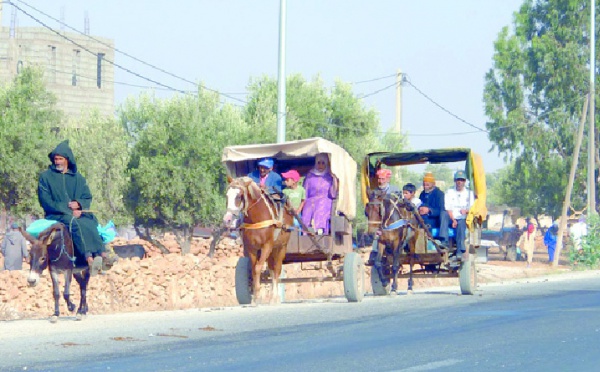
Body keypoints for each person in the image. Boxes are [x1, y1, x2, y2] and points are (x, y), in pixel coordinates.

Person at [38, 140, 109, 276]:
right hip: (56, 214)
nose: (57, 161)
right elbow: (45, 201)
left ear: (67, 160)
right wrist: (68, 209)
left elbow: (87, 196)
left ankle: (103, 255)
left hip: (77, 213)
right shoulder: (45, 178)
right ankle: (89, 259)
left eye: (60, 159)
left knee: (90, 220)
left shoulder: (78, 178)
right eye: (56, 159)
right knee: (73, 222)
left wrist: (79, 204)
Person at [301, 153, 338, 235]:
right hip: (310, 201)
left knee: (321, 209)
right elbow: (305, 191)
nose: (320, 165)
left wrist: (334, 179)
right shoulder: (310, 176)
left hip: (325, 201)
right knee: (307, 213)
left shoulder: (329, 177)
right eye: (319, 163)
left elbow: (333, 194)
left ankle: (321, 233)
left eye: (323, 163)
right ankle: (305, 234)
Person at [445, 170, 475, 256]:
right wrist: (453, 219)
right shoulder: (449, 192)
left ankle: (459, 250)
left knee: (461, 224)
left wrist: (466, 211)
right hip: (451, 217)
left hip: (463, 218)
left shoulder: (469, 193)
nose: (459, 182)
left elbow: (472, 208)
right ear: (455, 181)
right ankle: (445, 244)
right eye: (458, 180)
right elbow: (448, 208)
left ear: (465, 181)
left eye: (462, 180)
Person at [418, 172, 448, 241]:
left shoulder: (439, 194)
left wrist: (429, 210)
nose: (425, 186)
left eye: (427, 184)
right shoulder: (422, 194)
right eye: (424, 184)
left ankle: (430, 243)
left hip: (435, 219)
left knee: (426, 223)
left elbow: (441, 210)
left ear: (433, 184)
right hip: (423, 217)